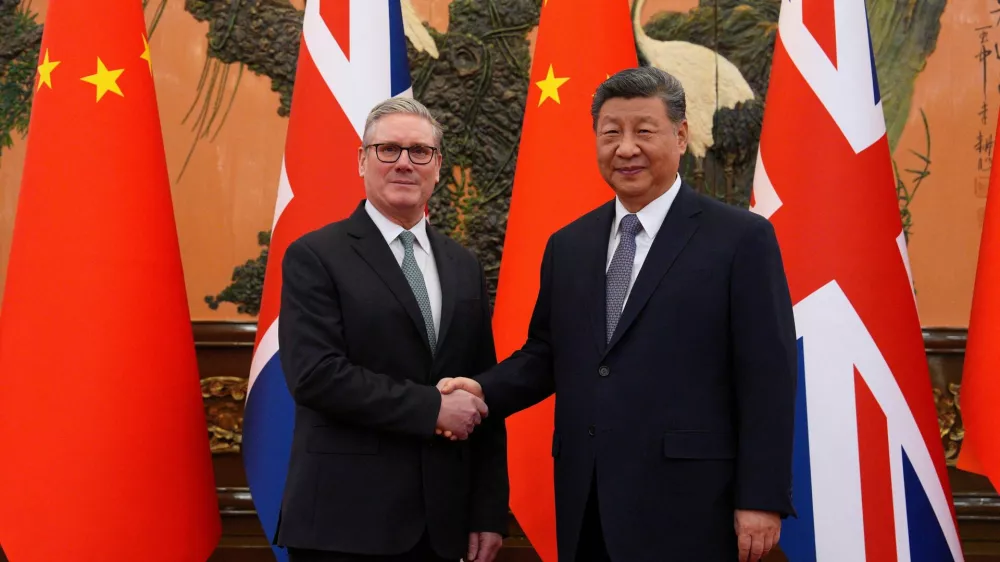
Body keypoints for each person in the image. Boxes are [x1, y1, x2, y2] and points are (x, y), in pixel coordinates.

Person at [439, 66, 797, 562]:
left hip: (693, 505)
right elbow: (547, 354)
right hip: (587, 500)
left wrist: (760, 497)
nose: (625, 148)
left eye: (643, 131)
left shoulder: (740, 239)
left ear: (681, 134)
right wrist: (483, 390)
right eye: (611, 133)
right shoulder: (569, 244)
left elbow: (768, 376)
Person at [275, 97, 509, 562]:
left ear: (437, 167)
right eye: (388, 149)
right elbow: (315, 375)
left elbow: (483, 389)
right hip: (346, 523)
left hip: (443, 524)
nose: (404, 162)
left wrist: (487, 510)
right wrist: (431, 410)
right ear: (363, 160)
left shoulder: (463, 266)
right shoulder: (315, 256)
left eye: (419, 151)